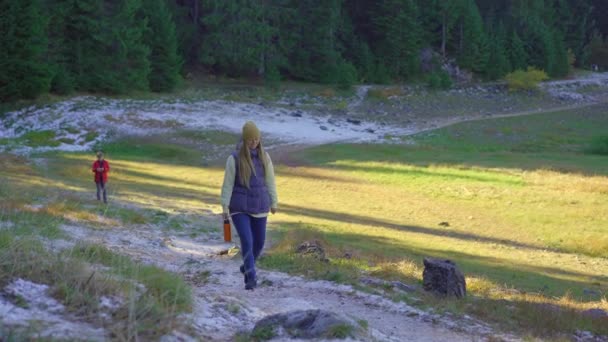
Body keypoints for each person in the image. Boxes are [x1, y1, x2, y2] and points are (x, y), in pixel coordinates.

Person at [221, 121, 278, 290]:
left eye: (257, 139)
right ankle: (251, 277)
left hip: (260, 205)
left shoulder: (265, 157)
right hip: (239, 207)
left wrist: (274, 201)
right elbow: (227, 184)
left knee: (259, 243)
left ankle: (246, 265)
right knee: (247, 240)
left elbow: (270, 181)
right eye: (251, 140)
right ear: (244, 140)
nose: (254, 143)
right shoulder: (234, 159)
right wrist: (224, 206)